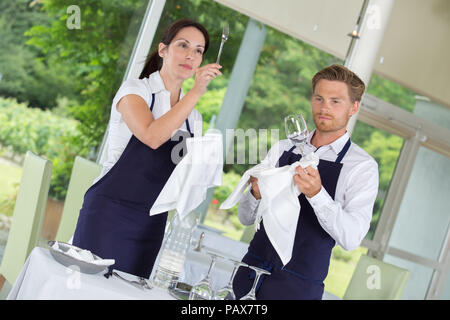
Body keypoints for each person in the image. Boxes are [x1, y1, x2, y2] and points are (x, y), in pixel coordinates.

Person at [72, 19, 222, 279]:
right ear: (163, 50)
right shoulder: (136, 91)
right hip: (107, 214)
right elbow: (152, 137)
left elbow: (185, 177)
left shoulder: (193, 119)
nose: (191, 55)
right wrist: (196, 92)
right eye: (183, 45)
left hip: (151, 225)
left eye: (199, 50)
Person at [233, 64, 379, 300]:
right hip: (249, 275)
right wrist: (255, 194)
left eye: (335, 101)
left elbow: (351, 238)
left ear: (354, 107)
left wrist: (317, 194)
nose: (324, 108)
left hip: (298, 289)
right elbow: (245, 218)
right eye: (319, 98)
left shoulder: (362, 167)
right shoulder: (282, 148)